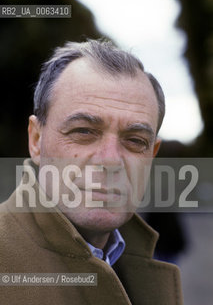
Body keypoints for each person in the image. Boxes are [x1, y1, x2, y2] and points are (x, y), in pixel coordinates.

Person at [0, 39, 183, 304]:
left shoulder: (135, 265)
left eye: (135, 140)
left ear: (151, 155)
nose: (110, 160)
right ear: (36, 140)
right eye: (83, 131)